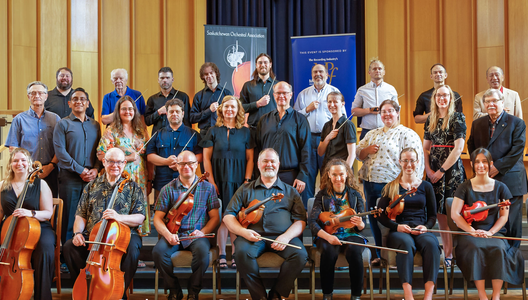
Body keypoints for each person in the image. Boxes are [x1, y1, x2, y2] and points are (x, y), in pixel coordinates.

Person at [223, 148, 308, 300]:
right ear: (258, 164)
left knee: (300, 254)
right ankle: (260, 296)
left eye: (272, 161)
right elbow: (228, 216)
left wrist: (286, 237)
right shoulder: (245, 189)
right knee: (241, 253)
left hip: (282, 237)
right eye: (265, 161)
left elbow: (301, 220)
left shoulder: (290, 191)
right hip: (252, 236)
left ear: (278, 164)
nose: (269, 164)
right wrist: (243, 232)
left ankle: (276, 294)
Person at [63, 148, 145, 300]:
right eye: (111, 161)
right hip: (94, 235)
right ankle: (85, 288)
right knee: (69, 247)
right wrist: (77, 233)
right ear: (104, 162)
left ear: (124, 163)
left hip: (124, 235)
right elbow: (80, 215)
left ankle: (119, 293)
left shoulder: (134, 187)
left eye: (119, 162)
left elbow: (140, 217)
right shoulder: (91, 186)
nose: (115, 165)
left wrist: (119, 217)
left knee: (133, 249)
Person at [356, 99, 424, 264]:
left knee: (390, 222)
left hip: (392, 185)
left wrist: (416, 182)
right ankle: (380, 256)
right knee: (374, 220)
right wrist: (366, 150)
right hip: (370, 183)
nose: (387, 114)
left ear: (397, 112)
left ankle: (393, 257)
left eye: (390, 111)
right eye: (383, 111)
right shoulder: (372, 133)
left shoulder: (406, 134)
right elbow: (358, 153)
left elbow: (417, 160)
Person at [451, 148, 524, 300]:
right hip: (470, 233)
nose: (481, 165)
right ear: (471, 164)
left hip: (494, 232)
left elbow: (503, 216)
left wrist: (491, 232)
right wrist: (471, 230)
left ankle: (495, 296)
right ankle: (482, 295)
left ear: (490, 164)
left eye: (484, 162)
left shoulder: (501, 187)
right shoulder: (464, 187)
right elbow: (455, 214)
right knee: (476, 248)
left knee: (498, 248)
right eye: (477, 162)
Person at [152, 151, 220, 300]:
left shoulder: (208, 188)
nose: (186, 166)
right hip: (174, 234)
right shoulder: (167, 189)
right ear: (176, 166)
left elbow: (215, 218)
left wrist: (202, 232)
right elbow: (157, 218)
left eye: (190, 163)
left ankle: (193, 291)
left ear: (196, 165)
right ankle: (174, 289)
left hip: (197, 235)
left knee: (203, 253)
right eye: (182, 163)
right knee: (158, 252)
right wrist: (168, 235)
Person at [377, 148, 440, 300]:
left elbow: (432, 216)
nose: (409, 164)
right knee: (406, 245)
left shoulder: (426, 186)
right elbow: (380, 215)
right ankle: (408, 294)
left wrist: (426, 227)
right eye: (405, 160)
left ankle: (428, 295)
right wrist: (396, 227)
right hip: (399, 230)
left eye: (412, 160)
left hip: (420, 228)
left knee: (432, 244)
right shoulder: (391, 187)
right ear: (400, 162)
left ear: (418, 162)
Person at [467, 89, 527, 248]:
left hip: (511, 181)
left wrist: (496, 167)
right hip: (485, 184)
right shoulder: (477, 124)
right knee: (490, 226)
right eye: (487, 102)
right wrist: (481, 166)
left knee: (512, 229)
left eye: (494, 101)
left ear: (502, 103)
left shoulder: (517, 123)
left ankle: (512, 265)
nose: (490, 104)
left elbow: (517, 150)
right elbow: (471, 145)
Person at [200, 95, 254, 269]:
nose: (229, 110)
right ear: (221, 110)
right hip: (218, 179)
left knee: (236, 217)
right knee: (222, 217)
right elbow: (206, 159)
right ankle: (222, 253)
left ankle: (236, 254)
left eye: (233, 107)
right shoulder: (213, 131)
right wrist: (211, 181)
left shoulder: (246, 132)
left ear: (238, 110)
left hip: (239, 180)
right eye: (226, 107)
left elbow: (250, 159)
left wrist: (246, 181)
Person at [0, 148, 55, 300]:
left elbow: (48, 213)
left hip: (37, 226)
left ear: (30, 164)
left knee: (45, 248)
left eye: (23, 160)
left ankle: (42, 296)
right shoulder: (2, 185)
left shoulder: (40, 184)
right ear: (10, 164)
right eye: (15, 160)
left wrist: (29, 213)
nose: (19, 164)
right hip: (9, 228)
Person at [308, 159, 366, 300]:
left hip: (350, 234)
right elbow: (312, 222)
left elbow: (362, 226)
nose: (338, 178)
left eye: (341, 174)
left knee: (355, 250)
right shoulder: (322, 195)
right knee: (329, 251)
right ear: (328, 175)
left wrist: (359, 223)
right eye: (334, 174)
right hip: (328, 234)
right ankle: (327, 294)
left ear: (347, 174)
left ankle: (356, 296)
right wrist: (328, 237)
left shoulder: (355, 195)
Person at [423, 85, 466, 266]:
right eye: (439, 95)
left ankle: (456, 253)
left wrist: (441, 171)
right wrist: (429, 171)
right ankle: (447, 254)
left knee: (453, 214)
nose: (442, 98)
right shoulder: (430, 119)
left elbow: (459, 149)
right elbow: (425, 148)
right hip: (433, 170)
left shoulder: (457, 117)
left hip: (451, 172)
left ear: (451, 98)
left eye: (446, 95)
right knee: (440, 215)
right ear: (434, 98)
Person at [97, 95, 151, 238]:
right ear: (118, 111)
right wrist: (127, 158)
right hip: (120, 178)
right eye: (124, 109)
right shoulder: (112, 130)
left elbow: (148, 156)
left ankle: (136, 253)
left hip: (140, 177)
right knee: (121, 212)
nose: (128, 111)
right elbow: (101, 154)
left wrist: (151, 178)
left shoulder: (141, 130)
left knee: (138, 212)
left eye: (130, 109)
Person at [53, 87, 101, 246]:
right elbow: (60, 153)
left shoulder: (95, 125)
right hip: (70, 179)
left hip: (91, 179)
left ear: (87, 104)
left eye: (82, 99)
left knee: (91, 216)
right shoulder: (62, 124)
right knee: (69, 217)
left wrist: (95, 169)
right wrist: (81, 170)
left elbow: (99, 151)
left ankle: (88, 255)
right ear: (69, 103)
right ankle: (67, 256)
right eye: (75, 99)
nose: (79, 102)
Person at [294, 64, 344, 202]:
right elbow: (294, 117)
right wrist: (307, 109)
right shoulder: (303, 94)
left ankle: (326, 209)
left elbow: (343, 118)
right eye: (315, 72)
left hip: (329, 139)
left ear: (327, 75)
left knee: (327, 175)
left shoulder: (334, 92)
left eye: (321, 71)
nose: (318, 74)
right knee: (308, 175)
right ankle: (307, 210)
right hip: (308, 139)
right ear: (312, 75)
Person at [256, 81, 311, 206]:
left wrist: (302, 175)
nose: (281, 96)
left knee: (289, 213)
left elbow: (306, 150)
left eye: (285, 93)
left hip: (291, 176)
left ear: (291, 95)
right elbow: (258, 149)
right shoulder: (264, 120)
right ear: (274, 95)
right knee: (267, 211)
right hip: (266, 174)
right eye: (278, 93)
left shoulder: (301, 120)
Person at [5, 81, 60, 197]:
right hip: (25, 172)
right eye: (33, 93)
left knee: (50, 207)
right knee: (26, 206)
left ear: (46, 96)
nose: (37, 96)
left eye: (40, 93)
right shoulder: (19, 120)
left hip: (50, 171)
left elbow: (60, 147)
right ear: (28, 96)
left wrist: (50, 167)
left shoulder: (55, 119)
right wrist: (27, 168)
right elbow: (13, 148)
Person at [147, 99, 202, 200]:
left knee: (186, 214)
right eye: (171, 112)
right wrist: (166, 161)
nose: (174, 114)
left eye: (178, 111)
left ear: (183, 114)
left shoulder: (193, 134)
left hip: (187, 183)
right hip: (162, 183)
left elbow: (200, 156)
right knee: (161, 213)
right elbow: (150, 156)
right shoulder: (157, 134)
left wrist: (182, 164)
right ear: (167, 114)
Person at [351, 59, 398, 139]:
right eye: (374, 69)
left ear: (384, 72)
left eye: (380, 69)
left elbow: (397, 111)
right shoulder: (362, 90)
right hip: (367, 131)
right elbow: (354, 111)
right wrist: (369, 110)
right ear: (369, 72)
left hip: (387, 130)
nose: (377, 71)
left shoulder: (391, 89)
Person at [190, 62, 233, 138]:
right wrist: (209, 110)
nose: (209, 76)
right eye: (206, 74)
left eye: (211, 73)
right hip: (205, 134)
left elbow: (234, 113)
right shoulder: (198, 96)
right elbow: (192, 118)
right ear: (203, 76)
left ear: (216, 73)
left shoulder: (226, 93)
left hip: (223, 132)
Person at [145, 67, 191, 134]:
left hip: (177, 136)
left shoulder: (183, 96)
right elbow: (147, 121)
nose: (165, 80)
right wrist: (158, 112)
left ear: (172, 79)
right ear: (158, 80)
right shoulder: (152, 99)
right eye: (162, 78)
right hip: (158, 138)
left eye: (167, 78)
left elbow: (187, 121)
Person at [318, 92, 356, 171]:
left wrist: (344, 173)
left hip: (341, 171)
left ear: (342, 104)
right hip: (327, 170)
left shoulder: (348, 125)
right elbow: (320, 152)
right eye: (329, 102)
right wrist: (328, 138)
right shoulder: (327, 125)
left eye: (335, 102)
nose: (332, 105)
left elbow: (352, 154)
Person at [240, 53, 277, 131]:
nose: (263, 65)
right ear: (256, 65)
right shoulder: (248, 85)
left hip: (273, 130)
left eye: (265, 62)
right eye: (260, 63)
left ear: (270, 65)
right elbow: (241, 107)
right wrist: (257, 104)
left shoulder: (278, 85)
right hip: (253, 130)